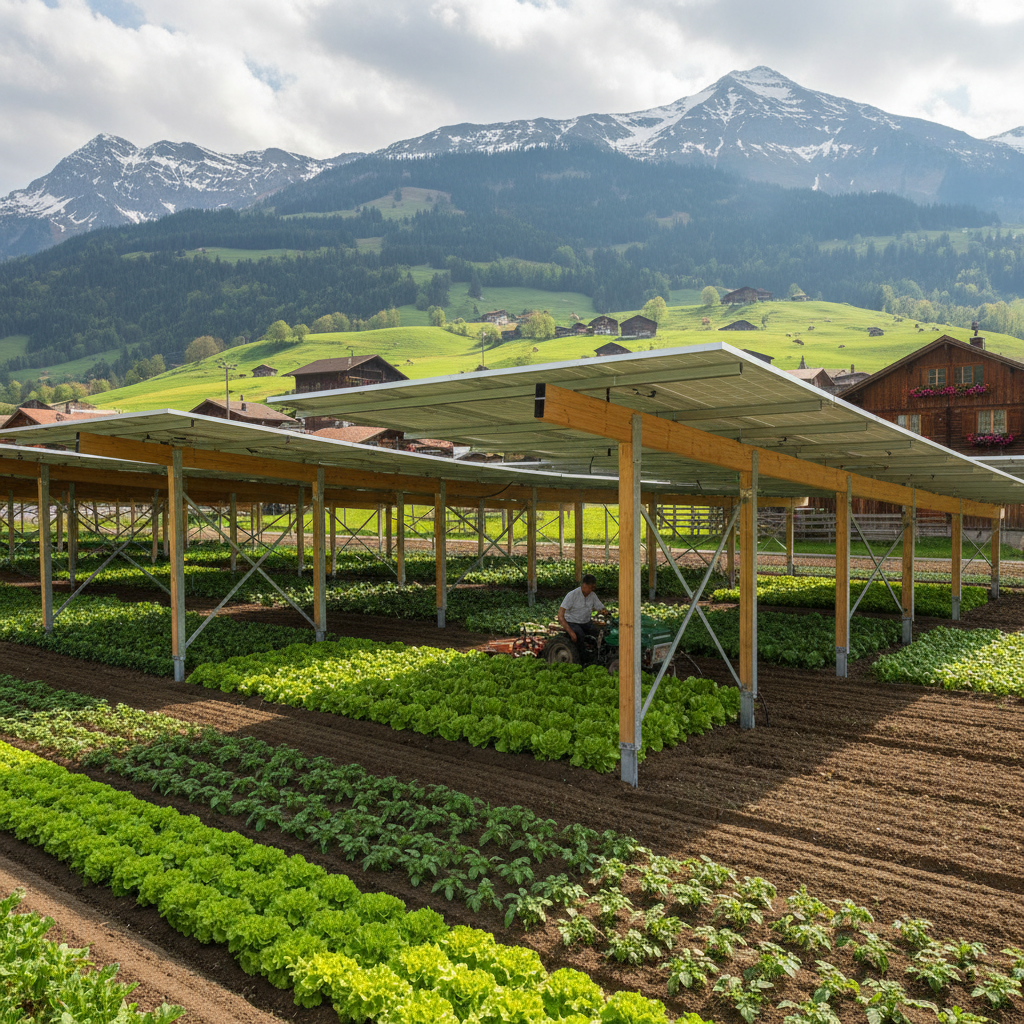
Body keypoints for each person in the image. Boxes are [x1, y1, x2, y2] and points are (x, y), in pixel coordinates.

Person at [558, 574, 606, 659]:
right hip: (572, 622)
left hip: (586, 622)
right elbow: (560, 615)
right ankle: (582, 659)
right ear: (584, 585)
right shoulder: (572, 595)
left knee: (600, 632)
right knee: (579, 635)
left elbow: (601, 608)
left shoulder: (592, 595)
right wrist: (570, 632)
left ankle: (597, 655)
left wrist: (605, 612)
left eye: (594, 587)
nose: (593, 589)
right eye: (591, 587)